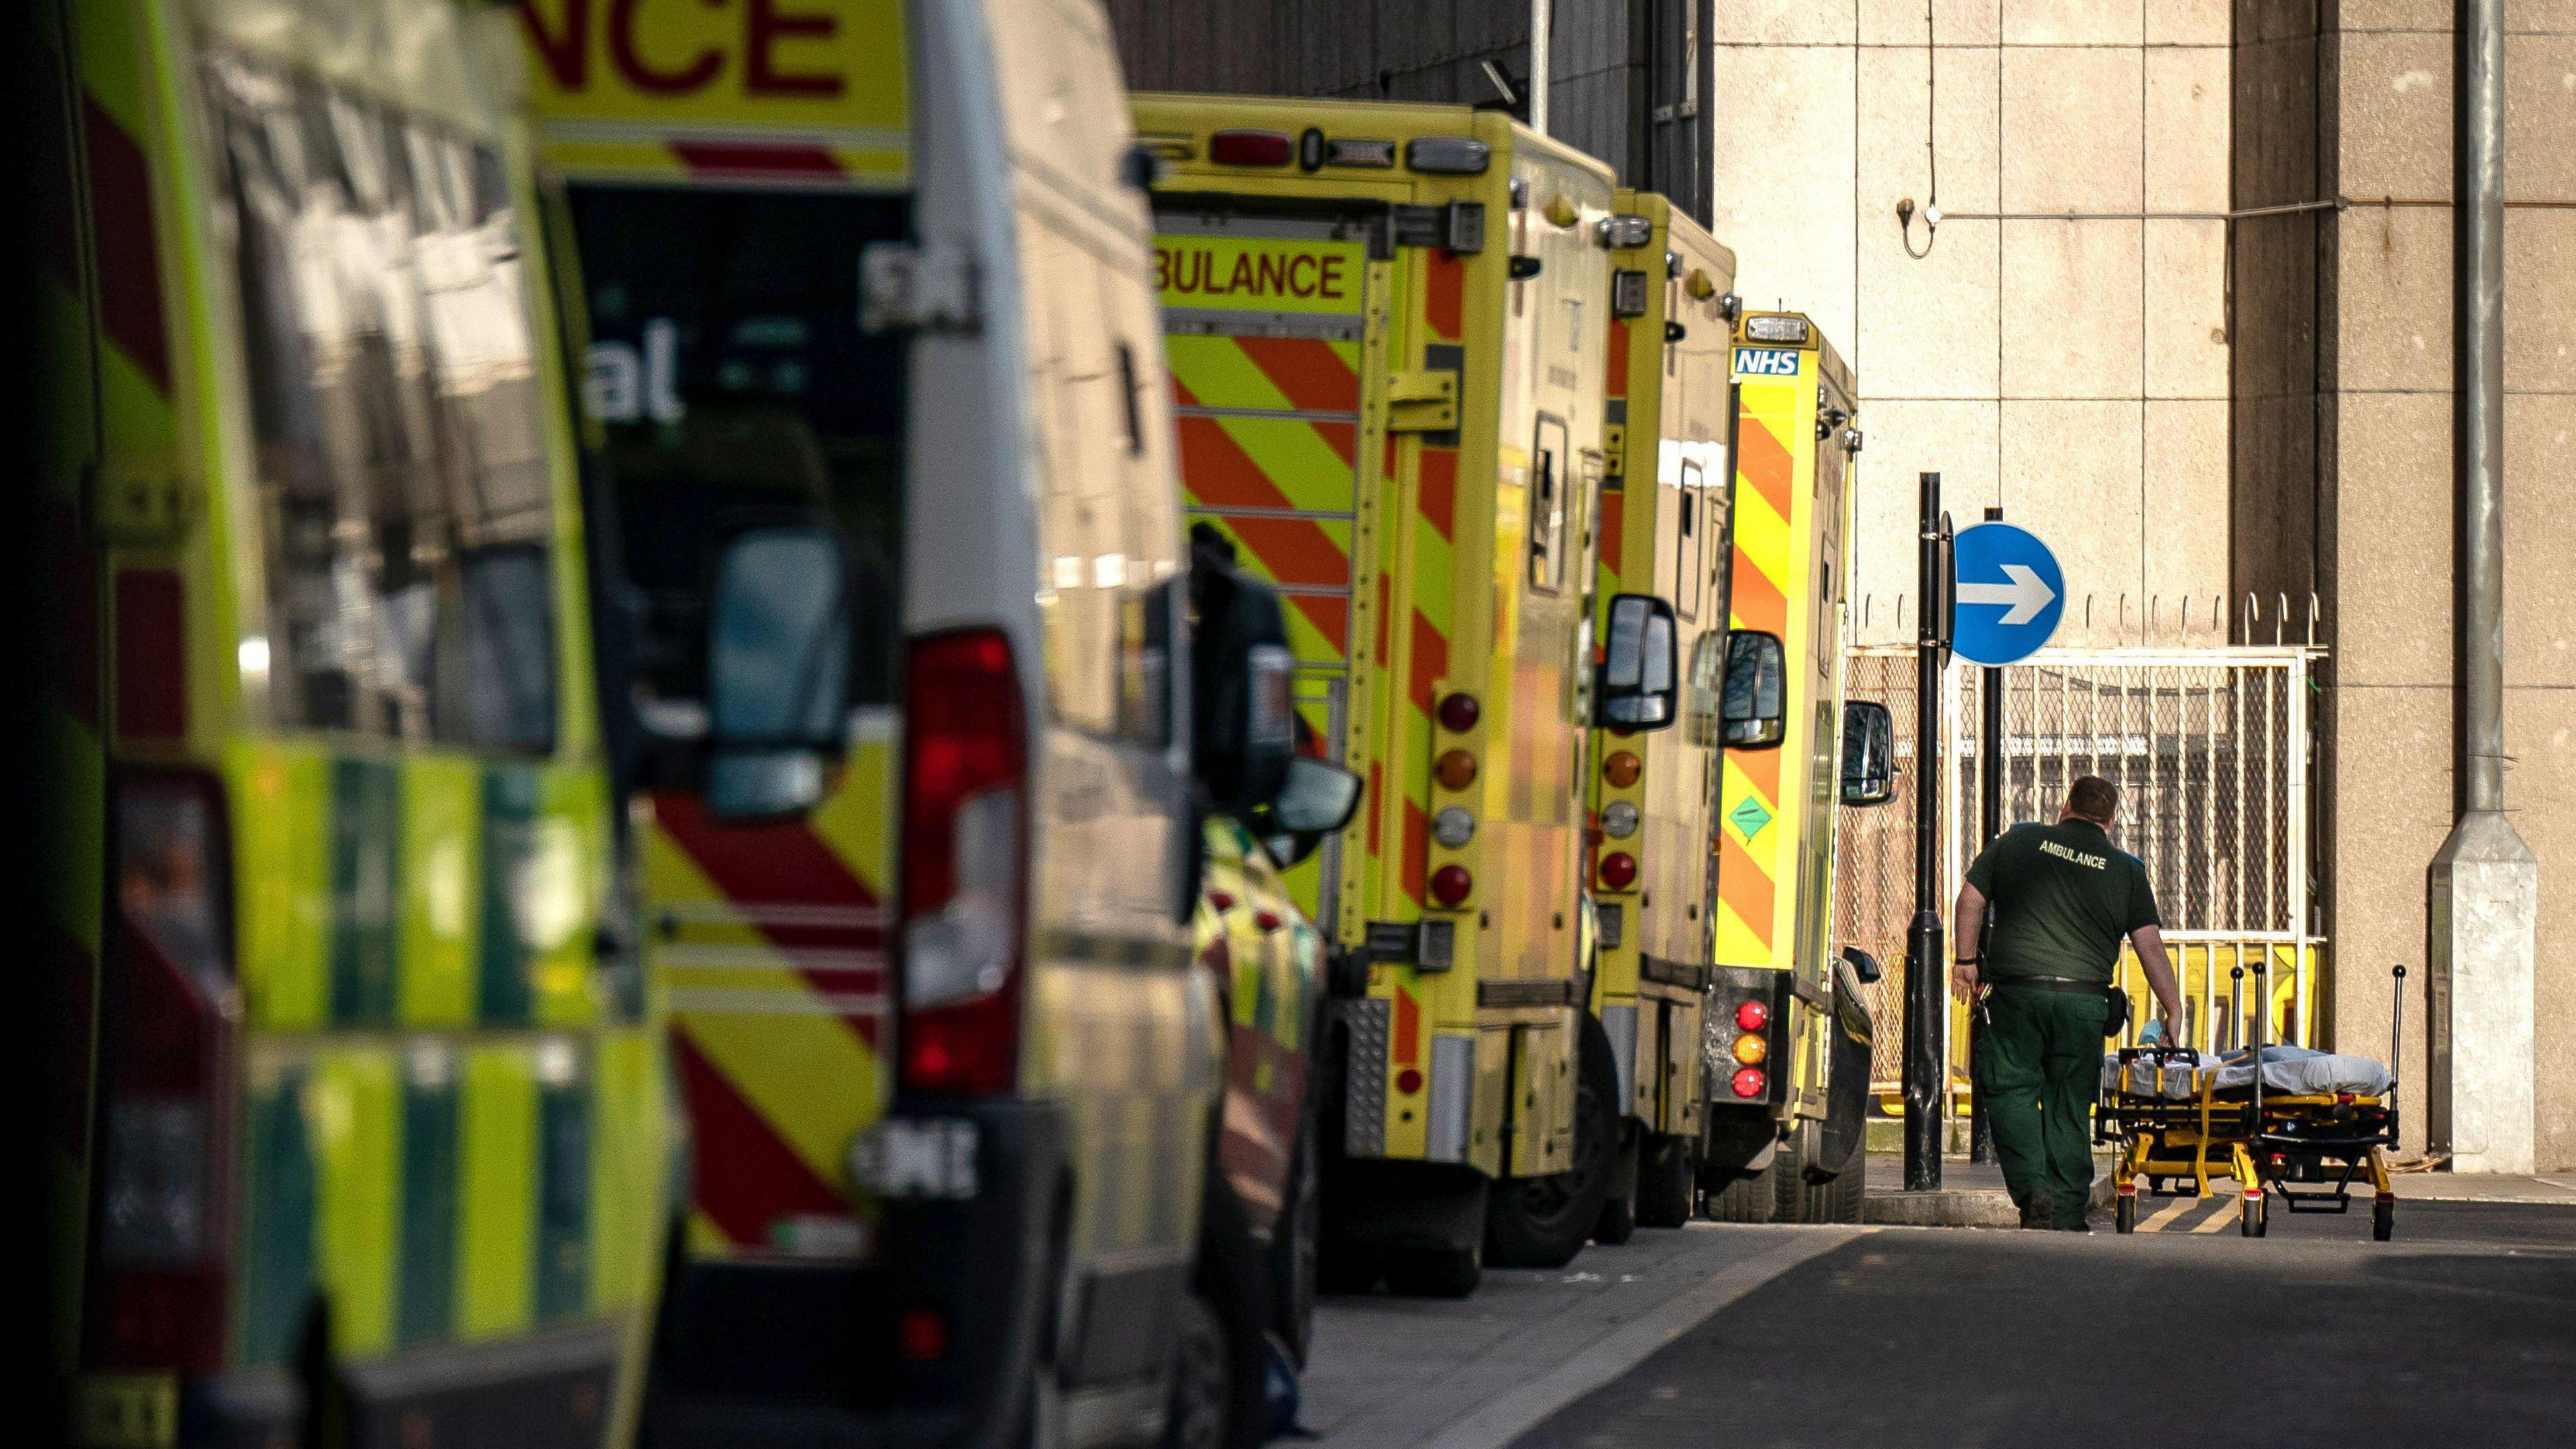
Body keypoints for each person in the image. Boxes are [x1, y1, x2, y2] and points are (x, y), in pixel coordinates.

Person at [1951, 775, 2184, 1230]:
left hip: (2017, 995)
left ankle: (2034, 1189)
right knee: (2070, 1107)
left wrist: (1965, 961)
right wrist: (2173, 1010)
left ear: (2065, 806)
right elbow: (2149, 945)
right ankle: (2069, 1213)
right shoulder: (2128, 871)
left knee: (2011, 1091)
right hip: (2084, 1005)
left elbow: (1970, 901)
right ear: (2111, 821)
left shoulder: (2018, 842)